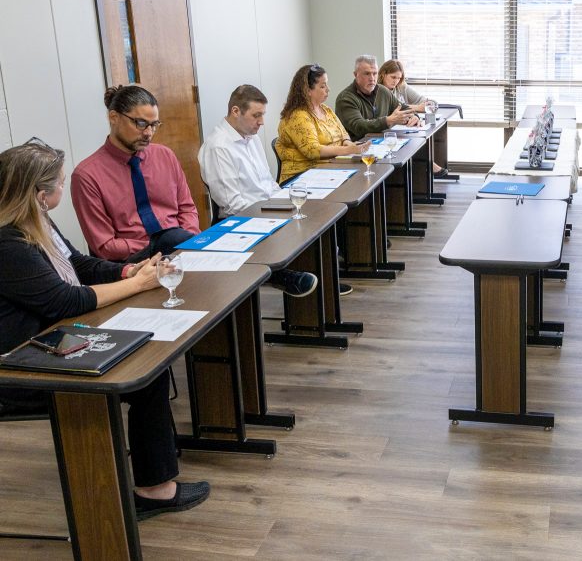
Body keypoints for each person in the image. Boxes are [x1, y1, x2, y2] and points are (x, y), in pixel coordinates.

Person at [0, 139, 210, 520]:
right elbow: (63, 301)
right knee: (145, 376)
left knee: (149, 365)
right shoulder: (7, 243)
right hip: (20, 367)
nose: (63, 188)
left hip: (52, 342)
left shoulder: (35, 222)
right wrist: (137, 285)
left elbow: (79, 264)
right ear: (39, 193)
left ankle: (150, 479)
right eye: (60, 183)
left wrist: (129, 270)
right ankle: (152, 490)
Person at [199, 84, 336, 297]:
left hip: (266, 210)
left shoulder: (250, 137)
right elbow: (233, 205)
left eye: (262, 115)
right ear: (236, 112)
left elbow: (268, 183)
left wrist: (286, 201)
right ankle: (284, 277)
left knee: (317, 221)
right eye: (256, 115)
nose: (262, 122)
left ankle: (324, 287)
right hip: (241, 221)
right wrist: (277, 213)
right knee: (304, 232)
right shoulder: (219, 147)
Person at [71, 85, 199, 262]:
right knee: (171, 239)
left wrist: (188, 240)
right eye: (140, 124)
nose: (148, 133)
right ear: (114, 117)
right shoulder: (86, 175)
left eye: (154, 125)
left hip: (181, 249)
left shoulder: (165, 155)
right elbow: (105, 246)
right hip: (132, 263)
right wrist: (157, 245)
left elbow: (187, 209)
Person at [275, 64, 368, 183]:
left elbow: (343, 135)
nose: (328, 89)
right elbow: (312, 151)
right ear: (307, 90)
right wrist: (349, 150)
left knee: (364, 178)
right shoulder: (298, 116)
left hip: (329, 169)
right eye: (323, 86)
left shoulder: (325, 109)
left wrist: (350, 145)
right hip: (302, 177)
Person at [378, 59, 447, 176]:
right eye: (393, 77)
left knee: (421, 136)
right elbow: (389, 112)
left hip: (403, 127)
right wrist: (415, 108)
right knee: (415, 141)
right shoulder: (378, 90)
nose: (396, 81)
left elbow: (431, 103)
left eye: (399, 78)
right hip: (387, 130)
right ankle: (428, 165)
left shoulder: (401, 87)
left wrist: (417, 108)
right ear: (383, 74)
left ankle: (426, 168)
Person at [335, 55, 419, 140]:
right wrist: (387, 121)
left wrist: (415, 116)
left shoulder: (383, 91)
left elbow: (404, 108)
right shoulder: (345, 98)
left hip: (382, 143)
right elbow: (359, 127)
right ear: (356, 74)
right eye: (367, 73)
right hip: (357, 148)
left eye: (374, 73)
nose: (372, 78)